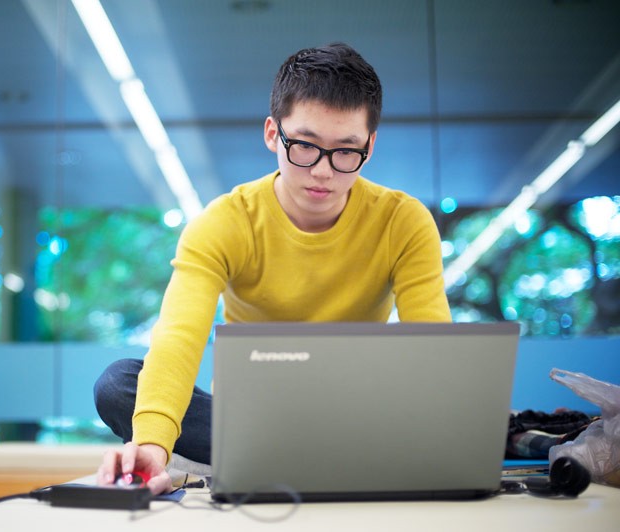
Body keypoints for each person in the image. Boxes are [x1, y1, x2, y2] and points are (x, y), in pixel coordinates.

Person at [94, 42, 451, 495]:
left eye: (346, 151)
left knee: (446, 407)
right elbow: (178, 338)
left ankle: (289, 464)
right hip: (249, 421)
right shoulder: (225, 221)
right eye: (304, 145)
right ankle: (315, 464)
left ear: (370, 145)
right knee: (119, 384)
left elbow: (432, 352)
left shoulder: (404, 220)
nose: (323, 171)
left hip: (356, 417)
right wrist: (151, 445)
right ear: (271, 133)